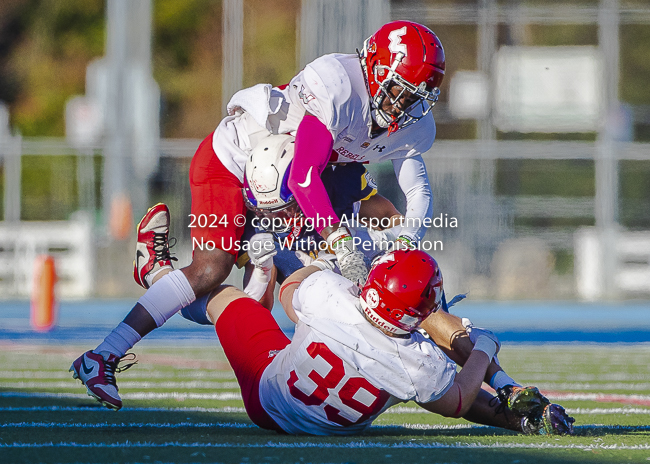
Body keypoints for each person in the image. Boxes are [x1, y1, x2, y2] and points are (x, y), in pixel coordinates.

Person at [70, 20, 445, 410]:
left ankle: (158, 273)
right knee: (210, 270)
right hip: (235, 161)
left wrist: (405, 244)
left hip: (292, 187)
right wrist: (339, 240)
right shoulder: (338, 87)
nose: (403, 107)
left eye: (415, 98)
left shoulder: (405, 127)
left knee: (252, 307)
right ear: (374, 70)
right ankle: (104, 355)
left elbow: (416, 192)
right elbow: (302, 178)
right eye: (399, 93)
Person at [139, 249, 577, 435]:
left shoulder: (331, 297)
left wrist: (322, 265)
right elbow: (461, 401)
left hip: (269, 392)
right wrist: (483, 349)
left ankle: (159, 276)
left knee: (227, 298)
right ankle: (521, 419)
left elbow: (293, 295)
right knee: (435, 392)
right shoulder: (417, 362)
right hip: (319, 420)